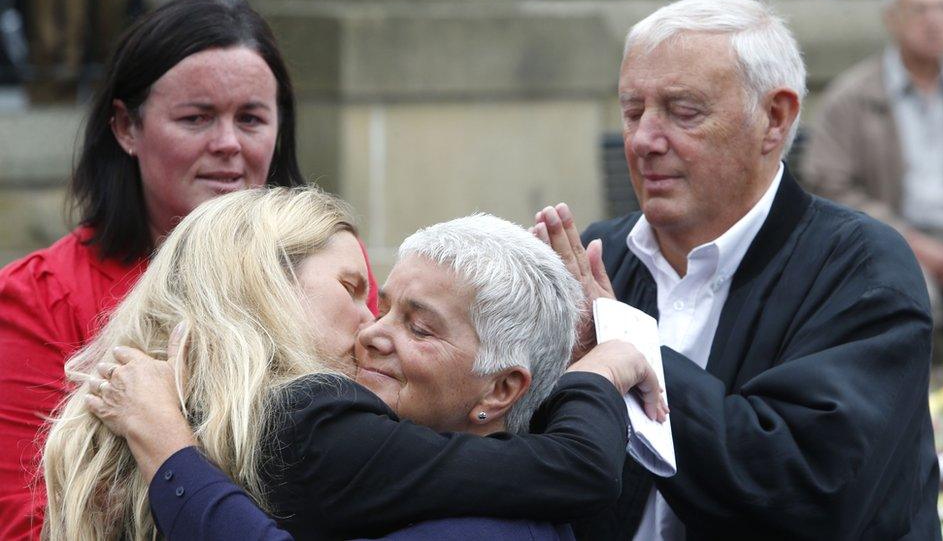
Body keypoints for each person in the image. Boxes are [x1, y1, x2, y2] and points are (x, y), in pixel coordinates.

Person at [533, 0, 939, 538]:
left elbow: (803, 487)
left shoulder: (861, 266)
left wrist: (623, 346)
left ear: (774, 119)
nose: (645, 141)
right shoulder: (598, 257)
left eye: (683, 112)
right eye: (632, 111)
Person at [43, 186, 661, 540]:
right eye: (357, 291)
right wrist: (603, 368)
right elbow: (575, 468)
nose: (371, 328)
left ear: (501, 389)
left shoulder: (207, 422)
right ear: (264, 283)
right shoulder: (305, 418)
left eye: (417, 325)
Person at [0, 0, 378, 539]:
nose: (227, 144)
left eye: (250, 118)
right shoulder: (37, 296)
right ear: (127, 127)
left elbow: (401, 426)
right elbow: (29, 521)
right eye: (196, 118)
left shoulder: (335, 265)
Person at [803, 0, 943, 337]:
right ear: (891, 19)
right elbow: (827, 185)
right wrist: (906, 240)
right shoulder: (851, 97)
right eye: (920, 9)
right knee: (906, 295)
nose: (934, 20)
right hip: (889, 241)